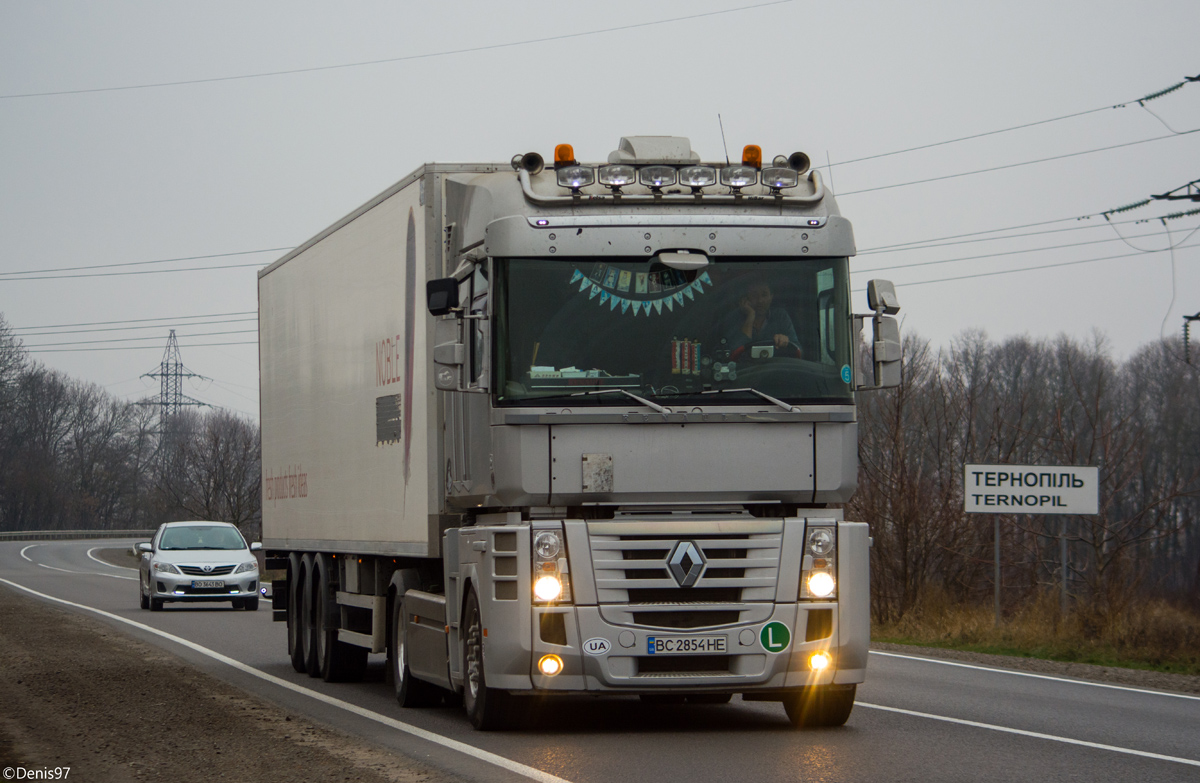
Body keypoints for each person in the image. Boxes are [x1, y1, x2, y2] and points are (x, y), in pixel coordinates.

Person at [720, 276, 800, 359]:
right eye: (754, 295)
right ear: (746, 298)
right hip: (745, 370)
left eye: (764, 295)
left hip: (775, 369)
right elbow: (733, 353)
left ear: (771, 297)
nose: (760, 300)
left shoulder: (780, 316)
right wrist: (750, 316)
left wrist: (785, 341)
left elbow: (799, 350)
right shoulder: (734, 318)